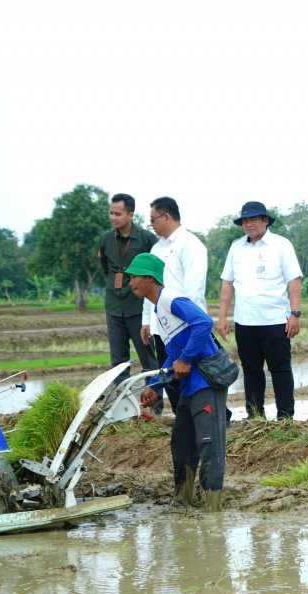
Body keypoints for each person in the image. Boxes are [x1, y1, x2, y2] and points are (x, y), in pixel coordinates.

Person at [128, 253, 227, 513]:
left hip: (205, 383)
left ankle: (212, 509)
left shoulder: (171, 299)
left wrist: (185, 358)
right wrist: (155, 386)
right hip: (189, 387)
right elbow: (173, 354)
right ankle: (182, 501)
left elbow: (204, 322)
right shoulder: (160, 308)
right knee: (181, 442)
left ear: (150, 277)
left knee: (209, 445)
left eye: (134, 277)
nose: (130, 282)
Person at [217, 201, 302, 420]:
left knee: (280, 369)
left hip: (275, 320)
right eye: (245, 220)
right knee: (251, 370)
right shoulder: (237, 247)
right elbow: (227, 283)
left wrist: (295, 313)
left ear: (265, 220)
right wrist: (223, 317)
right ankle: (255, 415)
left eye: (253, 219)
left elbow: (294, 281)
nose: (249, 224)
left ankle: (285, 416)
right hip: (246, 322)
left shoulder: (281, 245)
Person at [142, 197, 208, 413]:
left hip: (185, 326)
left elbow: (194, 289)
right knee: (170, 375)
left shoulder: (190, 244)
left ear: (166, 216)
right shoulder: (155, 249)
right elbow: (147, 287)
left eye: (153, 219)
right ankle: (183, 422)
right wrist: (146, 322)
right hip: (161, 326)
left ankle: (208, 422)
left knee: (196, 377)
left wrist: (190, 325)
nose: (150, 223)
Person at [98, 193, 161, 405]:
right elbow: (105, 267)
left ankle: (155, 406)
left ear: (131, 214)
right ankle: (121, 408)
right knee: (118, 362)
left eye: (118, 213)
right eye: (111, 213)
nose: (113, 217)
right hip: (114, 306)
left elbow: (156, 271)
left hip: (138, 307)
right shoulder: (106, 239)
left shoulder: (146, 239)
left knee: (148, 359)